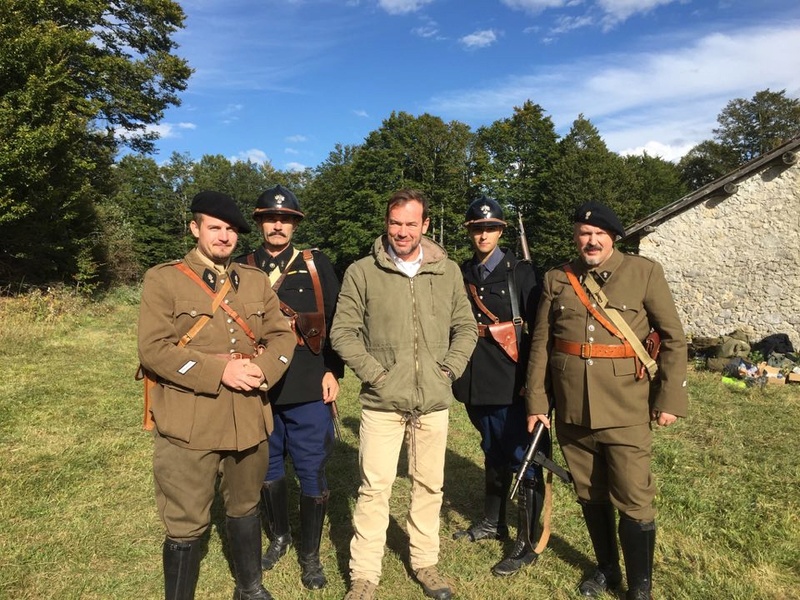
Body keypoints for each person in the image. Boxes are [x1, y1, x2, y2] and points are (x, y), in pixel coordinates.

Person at [525, 201, 688, 600]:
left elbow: (673, 339)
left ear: (613, 237)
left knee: (633, 497)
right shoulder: (556, 279)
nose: (591, 240)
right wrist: (535, 403)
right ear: (576, 238)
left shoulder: (644, 272)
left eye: (598, 234)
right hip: (573, 408)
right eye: (583, 233)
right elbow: (542, 346)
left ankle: (640, 588)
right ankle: (607, 569)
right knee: (589, 492)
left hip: (626, 407)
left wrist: (668, 398)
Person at [137, 191, 296, 600]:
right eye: (215, 227)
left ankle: (250, 587)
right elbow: (154, 349)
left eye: (231, 230)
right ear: (195, 228)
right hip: (190, 421)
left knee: (244, 506)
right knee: (186, 519)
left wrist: (264, 369)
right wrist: (220, 369)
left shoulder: (256, 281)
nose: (224, 237)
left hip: (248, 417)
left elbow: (281, 334)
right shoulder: (164, 278)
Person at [330, 189, 478, 600]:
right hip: (381, 403)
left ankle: (425, 562)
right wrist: (377, 375)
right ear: (386, 223)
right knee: (374, 488)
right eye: (395, 223)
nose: (402, 231)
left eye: (411, 223)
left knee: (429, 485)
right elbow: (342, 332)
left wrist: (447, 369)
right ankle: (364, 575)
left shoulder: (446, 272)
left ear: (425, 225)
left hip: (432, 401)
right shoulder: (361, 272)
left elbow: (466, 328)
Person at [235, 184, 344, 590]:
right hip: (259, 384)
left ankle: (310, 554)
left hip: (307, 381)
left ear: (294, 225)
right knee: (268, 466)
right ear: (261, 223)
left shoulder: (315, 265)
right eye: (270, 218)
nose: (277, 225)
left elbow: (336, 320)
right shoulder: (243, 266)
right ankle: (279, 536)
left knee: (312, 468)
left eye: (285, 219)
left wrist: (333, 369)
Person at [451, 196, 546, 577]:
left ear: (501, 231)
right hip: (475, 381)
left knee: (525, 458)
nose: (483, 234)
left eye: (489, 228)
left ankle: (527, 541)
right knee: (492, 449)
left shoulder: (521, 273)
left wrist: (537, 386)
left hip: (513, 384)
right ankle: (493, 522)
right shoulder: (461, 272)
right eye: (476, 228)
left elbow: (540, 335)